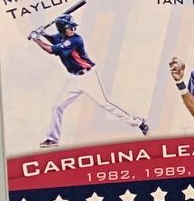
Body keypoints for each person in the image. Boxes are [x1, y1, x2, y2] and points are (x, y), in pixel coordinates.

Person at [29, 10, 146, 146]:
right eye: (69, 27)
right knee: (57, 107)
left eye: (73, 27)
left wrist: (36, 38)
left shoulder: (75, 40)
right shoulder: (61, 37)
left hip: (88, 77)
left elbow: (51, 50)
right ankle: (52, 139)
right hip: (73, 79)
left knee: (104, 103)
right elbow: (54, 39)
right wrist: (43, 33)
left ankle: (138, 122)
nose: (73, 29)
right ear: (62, 30)